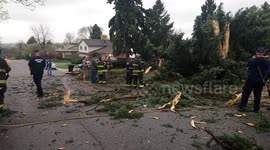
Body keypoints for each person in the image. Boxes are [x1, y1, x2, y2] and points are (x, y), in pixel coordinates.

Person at [239, 47, 270, 113]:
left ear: (256, 52)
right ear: (263, 53)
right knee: (257, 95)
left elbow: (248, 68)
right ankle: (256, 109)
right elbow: (268, 72)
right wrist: (265, 79)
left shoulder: (251, 60)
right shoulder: (267, 62)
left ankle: (242, 107)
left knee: (246, 93)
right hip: (260, 80)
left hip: (250, 79)